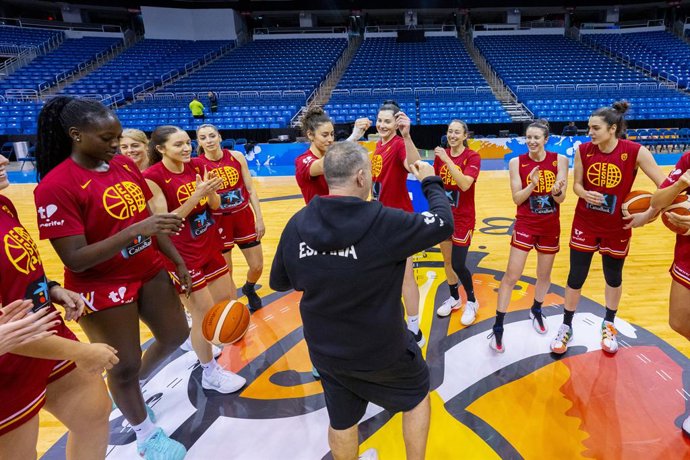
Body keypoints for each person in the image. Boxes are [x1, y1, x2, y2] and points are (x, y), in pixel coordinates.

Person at [270, 141, 453, 460]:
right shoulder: (386, 222)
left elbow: (280, 281)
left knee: (342, 420)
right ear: (360, 177)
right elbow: (442, 223)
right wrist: (430, 180)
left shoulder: (297, 223)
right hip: (381, 349)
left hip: (325, 349)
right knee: (416, 397)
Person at [33, 97, 190, 459]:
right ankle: (146, 432)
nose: (116, 146)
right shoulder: (55, 187)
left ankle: (130, 388)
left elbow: (151, 220)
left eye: (118, 137)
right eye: (106, 138)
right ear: (76, 135)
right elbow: (75, 259)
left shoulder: (121, 164)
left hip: (148, 269)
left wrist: (176, 259)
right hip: (100, 284)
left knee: (175, 335)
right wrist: (137, 230)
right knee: (124, 362)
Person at [0, 150, 116, 459]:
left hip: (46, 333)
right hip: (11, 358)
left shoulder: (4, 204)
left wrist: (50, 288)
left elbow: (16, 267)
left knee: (94, 413)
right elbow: (6, 333)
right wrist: (84, 351)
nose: (2, 160)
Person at [550, 101, 666, 355]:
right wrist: (585, 193)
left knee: (613, 277)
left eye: (595, 128)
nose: (589, 132)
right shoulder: (583, 150)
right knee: (575, 276)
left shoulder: (635, 151)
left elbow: (664, 187)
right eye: (588, 128)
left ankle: (609, 323)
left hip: (618, 226)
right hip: (586, 222)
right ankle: (566, 325)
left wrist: (648, 214)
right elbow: (577, 186)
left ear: (612, 129)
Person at [144, 125, 246, 394]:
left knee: (226, 299)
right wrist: (196, 195)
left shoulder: (197, 166)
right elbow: (164, 222)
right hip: (181, 255)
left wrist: (210, 191)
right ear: (161, 149)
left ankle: (200, 338)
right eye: (178, 145)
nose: (187, 147)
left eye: (187, 142)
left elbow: (214, 206)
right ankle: (209, 372)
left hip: (208, 244)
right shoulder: (153, 177)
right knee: (203, 315)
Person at [489, 120, 568, 352]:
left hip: (550, 226)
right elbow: (517, 198)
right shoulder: (516, 162)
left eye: (537, 138)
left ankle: (536, 309)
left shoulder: (559, 160)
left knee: (544, 275)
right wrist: (532, 185)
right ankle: (498, 326)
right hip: (525, 224)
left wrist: (556, 191)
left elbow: (561, 199)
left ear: (546, 139)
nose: (532, 142)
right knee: (511, 275)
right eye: (529, 137)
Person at [371, 100, 425, 346]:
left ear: (396, 123)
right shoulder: (378, 145)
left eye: (387, 121)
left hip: (398, 221)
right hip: (379, 219)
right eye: (380, 120)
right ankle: (391, 322)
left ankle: (414, 330)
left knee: (405, 277)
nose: (382, 125)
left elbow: (415, 166)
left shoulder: (399, 144)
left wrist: (408, 135)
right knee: (383, 276)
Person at [196, 123, 265, 311]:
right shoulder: (197, 165)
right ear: (199, 142)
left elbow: (250, 189)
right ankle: (234, 312)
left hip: (243, 216)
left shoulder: (236, 156)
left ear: (219, 137)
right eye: (203, 138)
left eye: (211, 136)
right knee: (227, 273)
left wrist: (259, 217)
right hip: (217, 220)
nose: (209, 140)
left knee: (257, 266)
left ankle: (249, 288)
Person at [650, 151, 690, 436]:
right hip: (686, 254)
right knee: (678, 321)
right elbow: (657, 201)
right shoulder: (687, 159)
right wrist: (680, 184)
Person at [433, 120, 481, 326]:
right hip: (445, 215)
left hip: (463, 218)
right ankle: (454, 298)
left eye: (457, 132)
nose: (452, 135)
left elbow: (464, 184)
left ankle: (472, 301)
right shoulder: (440, 157)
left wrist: (446, 159)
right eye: (450, 131)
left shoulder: (472, 157)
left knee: (458, 264)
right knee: (446, 261)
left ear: (465, 136)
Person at [294, 107, 371, 204]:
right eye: (325, 135)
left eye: (332, 134)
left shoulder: (334, 154)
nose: (330, 139)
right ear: (310, 135)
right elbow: (324, 164)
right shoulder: (303, 160)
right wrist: (353, 137)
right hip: (318, 217)